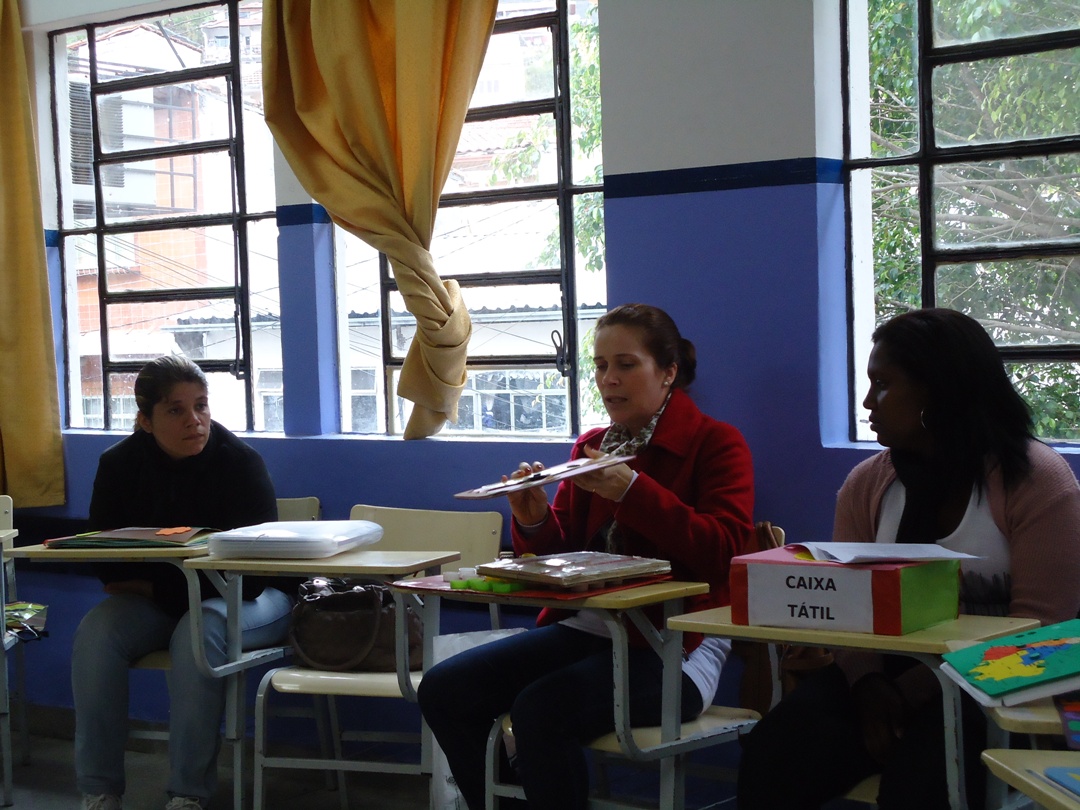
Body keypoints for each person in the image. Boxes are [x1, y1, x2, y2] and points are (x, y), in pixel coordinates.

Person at [737, 308, 1080, 810]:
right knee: (776, 751)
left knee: (924, 780)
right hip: (882, 675)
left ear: (939, 391)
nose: (867, 401)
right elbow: (847, 609)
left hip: (1004, 683)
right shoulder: (868, 484)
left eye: (883, 385)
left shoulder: (1035, 480)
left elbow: (1042, 627)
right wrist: (868, 683)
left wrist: (914, 689)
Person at [417, 303, 756, 809]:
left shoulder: (716, 444)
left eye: (626, 365)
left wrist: (634, 492)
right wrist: (533, 518)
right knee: (445, 690)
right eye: (600, 366)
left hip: (675, 647)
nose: (608, 379)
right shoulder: (592, 448)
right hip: (590, 630)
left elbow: (724, 554)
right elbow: (564, 562)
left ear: (668, 372)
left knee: (540, 710)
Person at [73, 356, 294, 810]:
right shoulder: (118, 465)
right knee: (97, 633)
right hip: (177, 600)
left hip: (255, 599)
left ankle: (187, 794)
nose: (194, 420)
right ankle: (99, 789)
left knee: (198, 632)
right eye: (176, 410)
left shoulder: (240, 464)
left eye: (201, 406)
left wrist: (155, 588)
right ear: (145, 420)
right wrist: (167, 590)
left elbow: (255, 577)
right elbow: (106, 563)